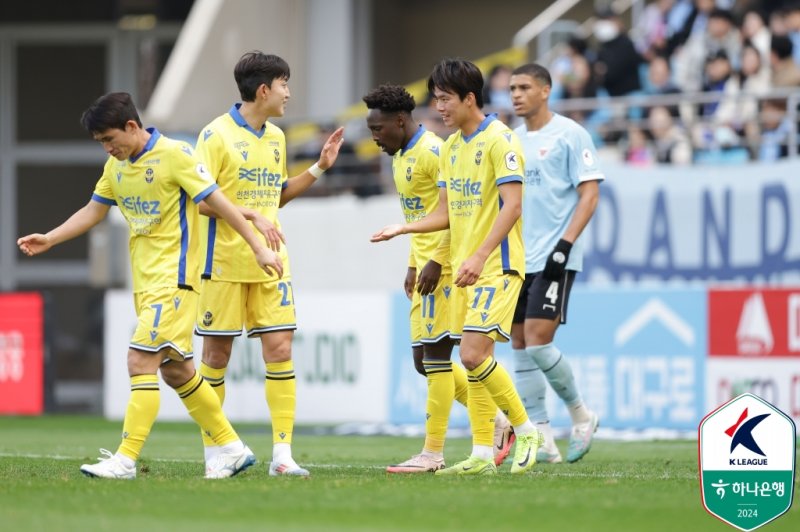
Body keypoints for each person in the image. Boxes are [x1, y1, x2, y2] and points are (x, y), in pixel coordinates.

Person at [17, 92, 283, 479]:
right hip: (145, 285)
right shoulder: (116, 166)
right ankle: (231, 447)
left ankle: (125, 458)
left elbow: (220, 204)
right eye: (101, 144)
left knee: (139, 360)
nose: (109, 149)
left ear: (131, 126)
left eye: (111, 139)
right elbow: (94, 209)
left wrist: (258, 245)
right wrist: (51, 238)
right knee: (178, 372)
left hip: (175, 282)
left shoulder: (177, 154)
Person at [372, 58, 544, 476]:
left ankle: (527, 430)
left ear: (470, 98)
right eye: (436, 99)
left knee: (470, 353)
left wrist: (481, 254)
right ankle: (483, 455)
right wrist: (404, 229)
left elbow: (514, 206)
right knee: (473, 357)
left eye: (445, 99)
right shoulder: (450, 147)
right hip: (466, 267)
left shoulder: (502, 141)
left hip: (497, 265)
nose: (439, 107)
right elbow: (446, 213)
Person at [193, 51, 343, 477]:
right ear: (264, 90)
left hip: (272, 262)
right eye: (284, 85)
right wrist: (252, 217)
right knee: (216, 355)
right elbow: (202, 201)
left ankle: (282, 455)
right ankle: (217, 453)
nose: (288, 94)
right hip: (222, 262)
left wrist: (318, 168)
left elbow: (273, 196)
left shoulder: (276, 137)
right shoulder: (215, 135)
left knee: (280, 349)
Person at [508, 63, 602, 464]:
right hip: (516, 258)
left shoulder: (570, 134)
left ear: (545, 90)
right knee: (518, 345)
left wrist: (564, 245)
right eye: (512, 88)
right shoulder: (510, 140)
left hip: (554, 257)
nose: (515, 94)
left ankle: (581, 415)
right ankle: (542, 436)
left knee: (538, 342)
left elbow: (590, 194)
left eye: (524, 87)